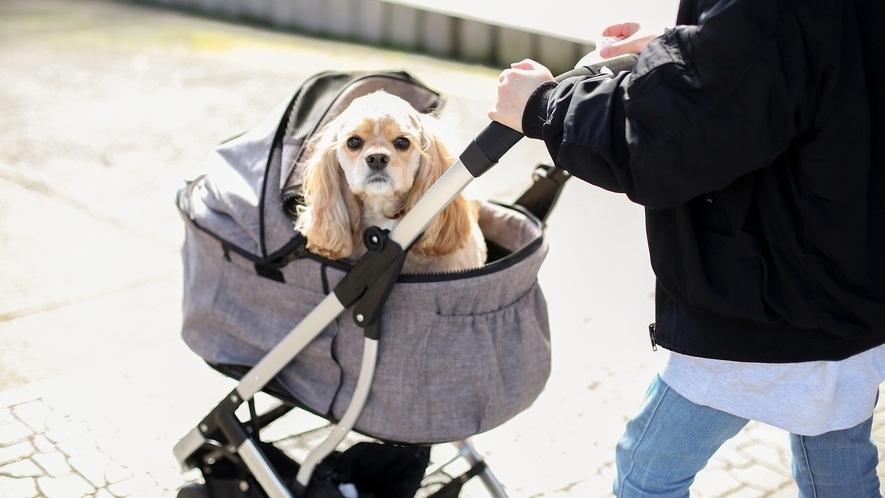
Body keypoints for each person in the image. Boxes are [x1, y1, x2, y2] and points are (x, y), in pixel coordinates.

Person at [489, 0, 885, 496]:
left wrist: (544, 104)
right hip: (850, 280)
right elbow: (799, 54)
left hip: (767, 300)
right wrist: (685, 42)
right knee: (838, 472)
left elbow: (667, 136)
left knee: (647, 473)